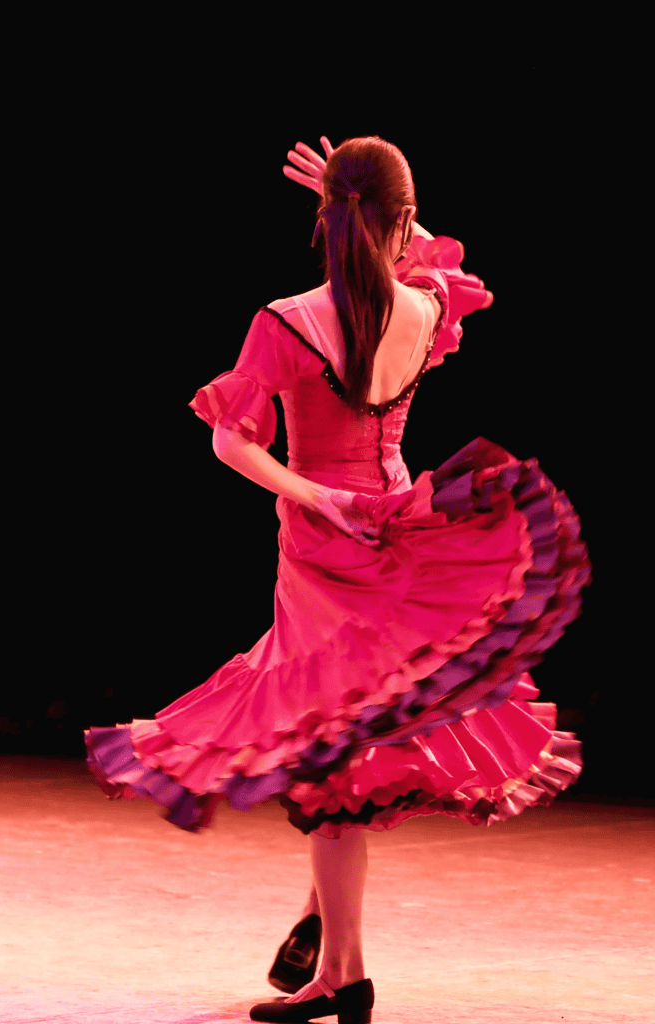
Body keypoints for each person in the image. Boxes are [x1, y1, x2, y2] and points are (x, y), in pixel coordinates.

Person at [84, 135, 591, 1024]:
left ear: (326, 220)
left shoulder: (286, 320)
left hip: (325, 545)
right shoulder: (423, 308)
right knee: (349, 739)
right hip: (399, 522)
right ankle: (331, 928)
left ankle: (342, 977)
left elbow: (230, 439)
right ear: (398, 220)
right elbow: (436, 257)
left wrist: (310, 490)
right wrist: (378, 211)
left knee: (330, 758)